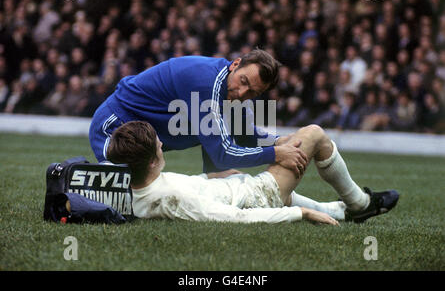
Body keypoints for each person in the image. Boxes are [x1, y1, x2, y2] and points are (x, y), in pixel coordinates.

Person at [106, 121, 399, 224]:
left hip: (230, 186)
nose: (162, 144)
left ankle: (338, 211)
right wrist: (300, 214)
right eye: (158, 146)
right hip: (256, 197)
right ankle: (359, 205)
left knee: (223, 168)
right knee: (314, 134)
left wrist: (213, 178)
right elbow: (235, 217)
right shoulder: (172, 197)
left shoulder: (128, 186)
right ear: (153, 163)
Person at [89, 49, 307, 176]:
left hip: (146, 142)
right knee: (130, 199)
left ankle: (336, 207)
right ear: (236, 64)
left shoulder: (230, 91)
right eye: (243, 81)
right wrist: (276, 154)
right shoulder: (206, 84)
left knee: (217, 184)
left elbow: (243, 135)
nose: (242, 93)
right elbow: (224, 154)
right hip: (114, 128)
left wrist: (278, 141)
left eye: (252, 92)